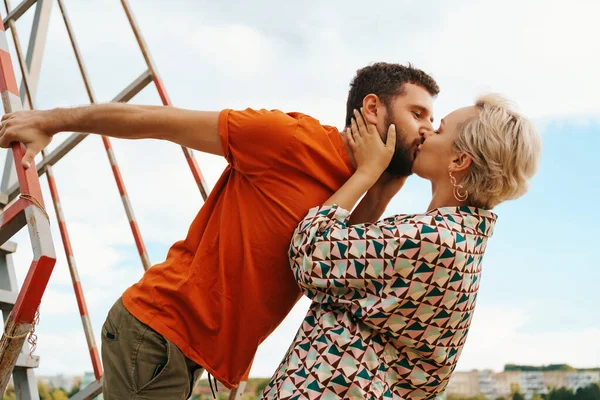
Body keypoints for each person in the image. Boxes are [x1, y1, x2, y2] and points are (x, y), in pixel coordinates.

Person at [0, 63, 440, 399]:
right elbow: (158, 121)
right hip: (157, 332)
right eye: (417, 112)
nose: (428, 128)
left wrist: (382, 188)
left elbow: (328, 271)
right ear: (372, 108)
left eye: (433, 121)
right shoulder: (290, 138)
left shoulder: (358, 185)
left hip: (185, 353)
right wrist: (51, 121)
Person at [260, 95, 542, 399]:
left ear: (460, 161)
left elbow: (310, 253)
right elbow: (343, 276)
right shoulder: (460, 243)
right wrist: (379, 195)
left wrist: (366, 173)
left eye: (440, 130)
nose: (426, 132)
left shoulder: (432, 240)